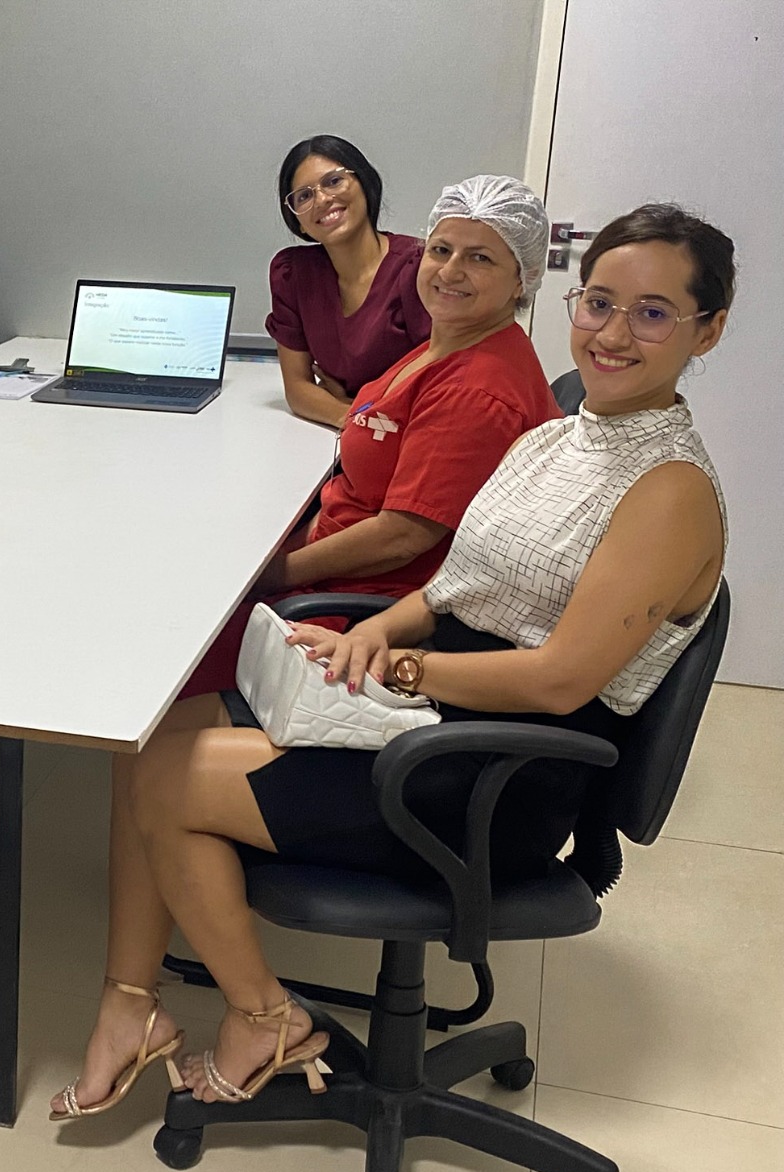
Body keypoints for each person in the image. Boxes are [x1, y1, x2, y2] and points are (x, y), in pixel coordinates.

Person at [51, 203, 731, 1121]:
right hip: (440, 714)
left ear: (709, 330)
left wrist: (404, 671)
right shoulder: (563, 430)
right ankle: (140, 1011)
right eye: (600, 302)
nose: (612, 332)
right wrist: (382, 632)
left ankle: (264, 1019)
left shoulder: (668, 489)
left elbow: (560, 680)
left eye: (652, 313)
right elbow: (461, 580)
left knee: (163, 775)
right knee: (163, 732)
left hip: (498, 769)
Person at [179, 175, 561, 700]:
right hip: (337, 561)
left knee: (176, 637)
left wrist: (271, 574)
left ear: (523, 279)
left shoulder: (477, 389)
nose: (450, 271)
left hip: (363, 601)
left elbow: (401, 538)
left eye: (480, 259)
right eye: (442, 249)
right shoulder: (444, 346)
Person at [267, 136, 432, 429]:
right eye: (304, 196)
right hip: (345, 436)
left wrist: (348, 405)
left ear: (364, 183)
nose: (322, 200)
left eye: (333, 181)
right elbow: (298, 391)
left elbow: (436, 383)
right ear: (297, 220)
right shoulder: (293, 274)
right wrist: (354, 416)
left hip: (415, 436)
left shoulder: (418, 268)